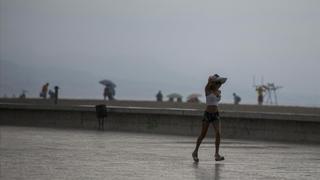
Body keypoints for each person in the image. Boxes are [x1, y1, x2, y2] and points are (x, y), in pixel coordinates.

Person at [192, 74, 227, 162]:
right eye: (217, 83)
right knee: (203, 134)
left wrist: (219, 82)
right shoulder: (207, 90)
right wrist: (213, 79)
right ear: (214, 83)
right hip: (207, 114)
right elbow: (209, 80)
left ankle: (216, 154)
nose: (219, 85)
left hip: (216, 114)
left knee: (218, 133)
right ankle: (195, 152)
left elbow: (217, 100)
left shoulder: (218, 92)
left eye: (220, 83)